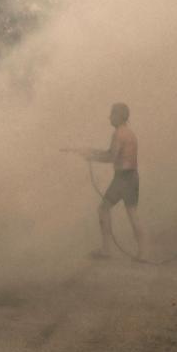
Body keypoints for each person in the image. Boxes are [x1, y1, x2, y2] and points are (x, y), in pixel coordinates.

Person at [72, 102, 145, 259]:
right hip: (132, 177)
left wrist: (91, 157)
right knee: (132, 213)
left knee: (103, 209)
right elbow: (112, 153)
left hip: (122, 179)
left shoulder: (118, 134)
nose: (109, 117)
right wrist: (92, 152)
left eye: (112, 114)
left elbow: (112, 156)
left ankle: (107, 250)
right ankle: (142, 252)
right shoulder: (130, 133)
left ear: (119, 116)